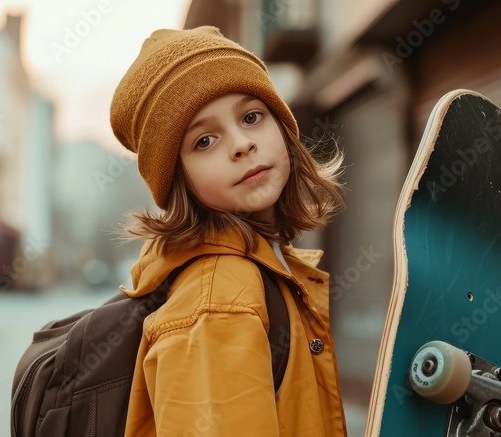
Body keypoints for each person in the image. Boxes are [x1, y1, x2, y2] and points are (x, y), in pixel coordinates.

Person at [111, 26, 348, 436]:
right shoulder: (219, 302)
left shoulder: (266, 266)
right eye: (204, 140)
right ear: (178, 179)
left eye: (252, 116)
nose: (241, 144)